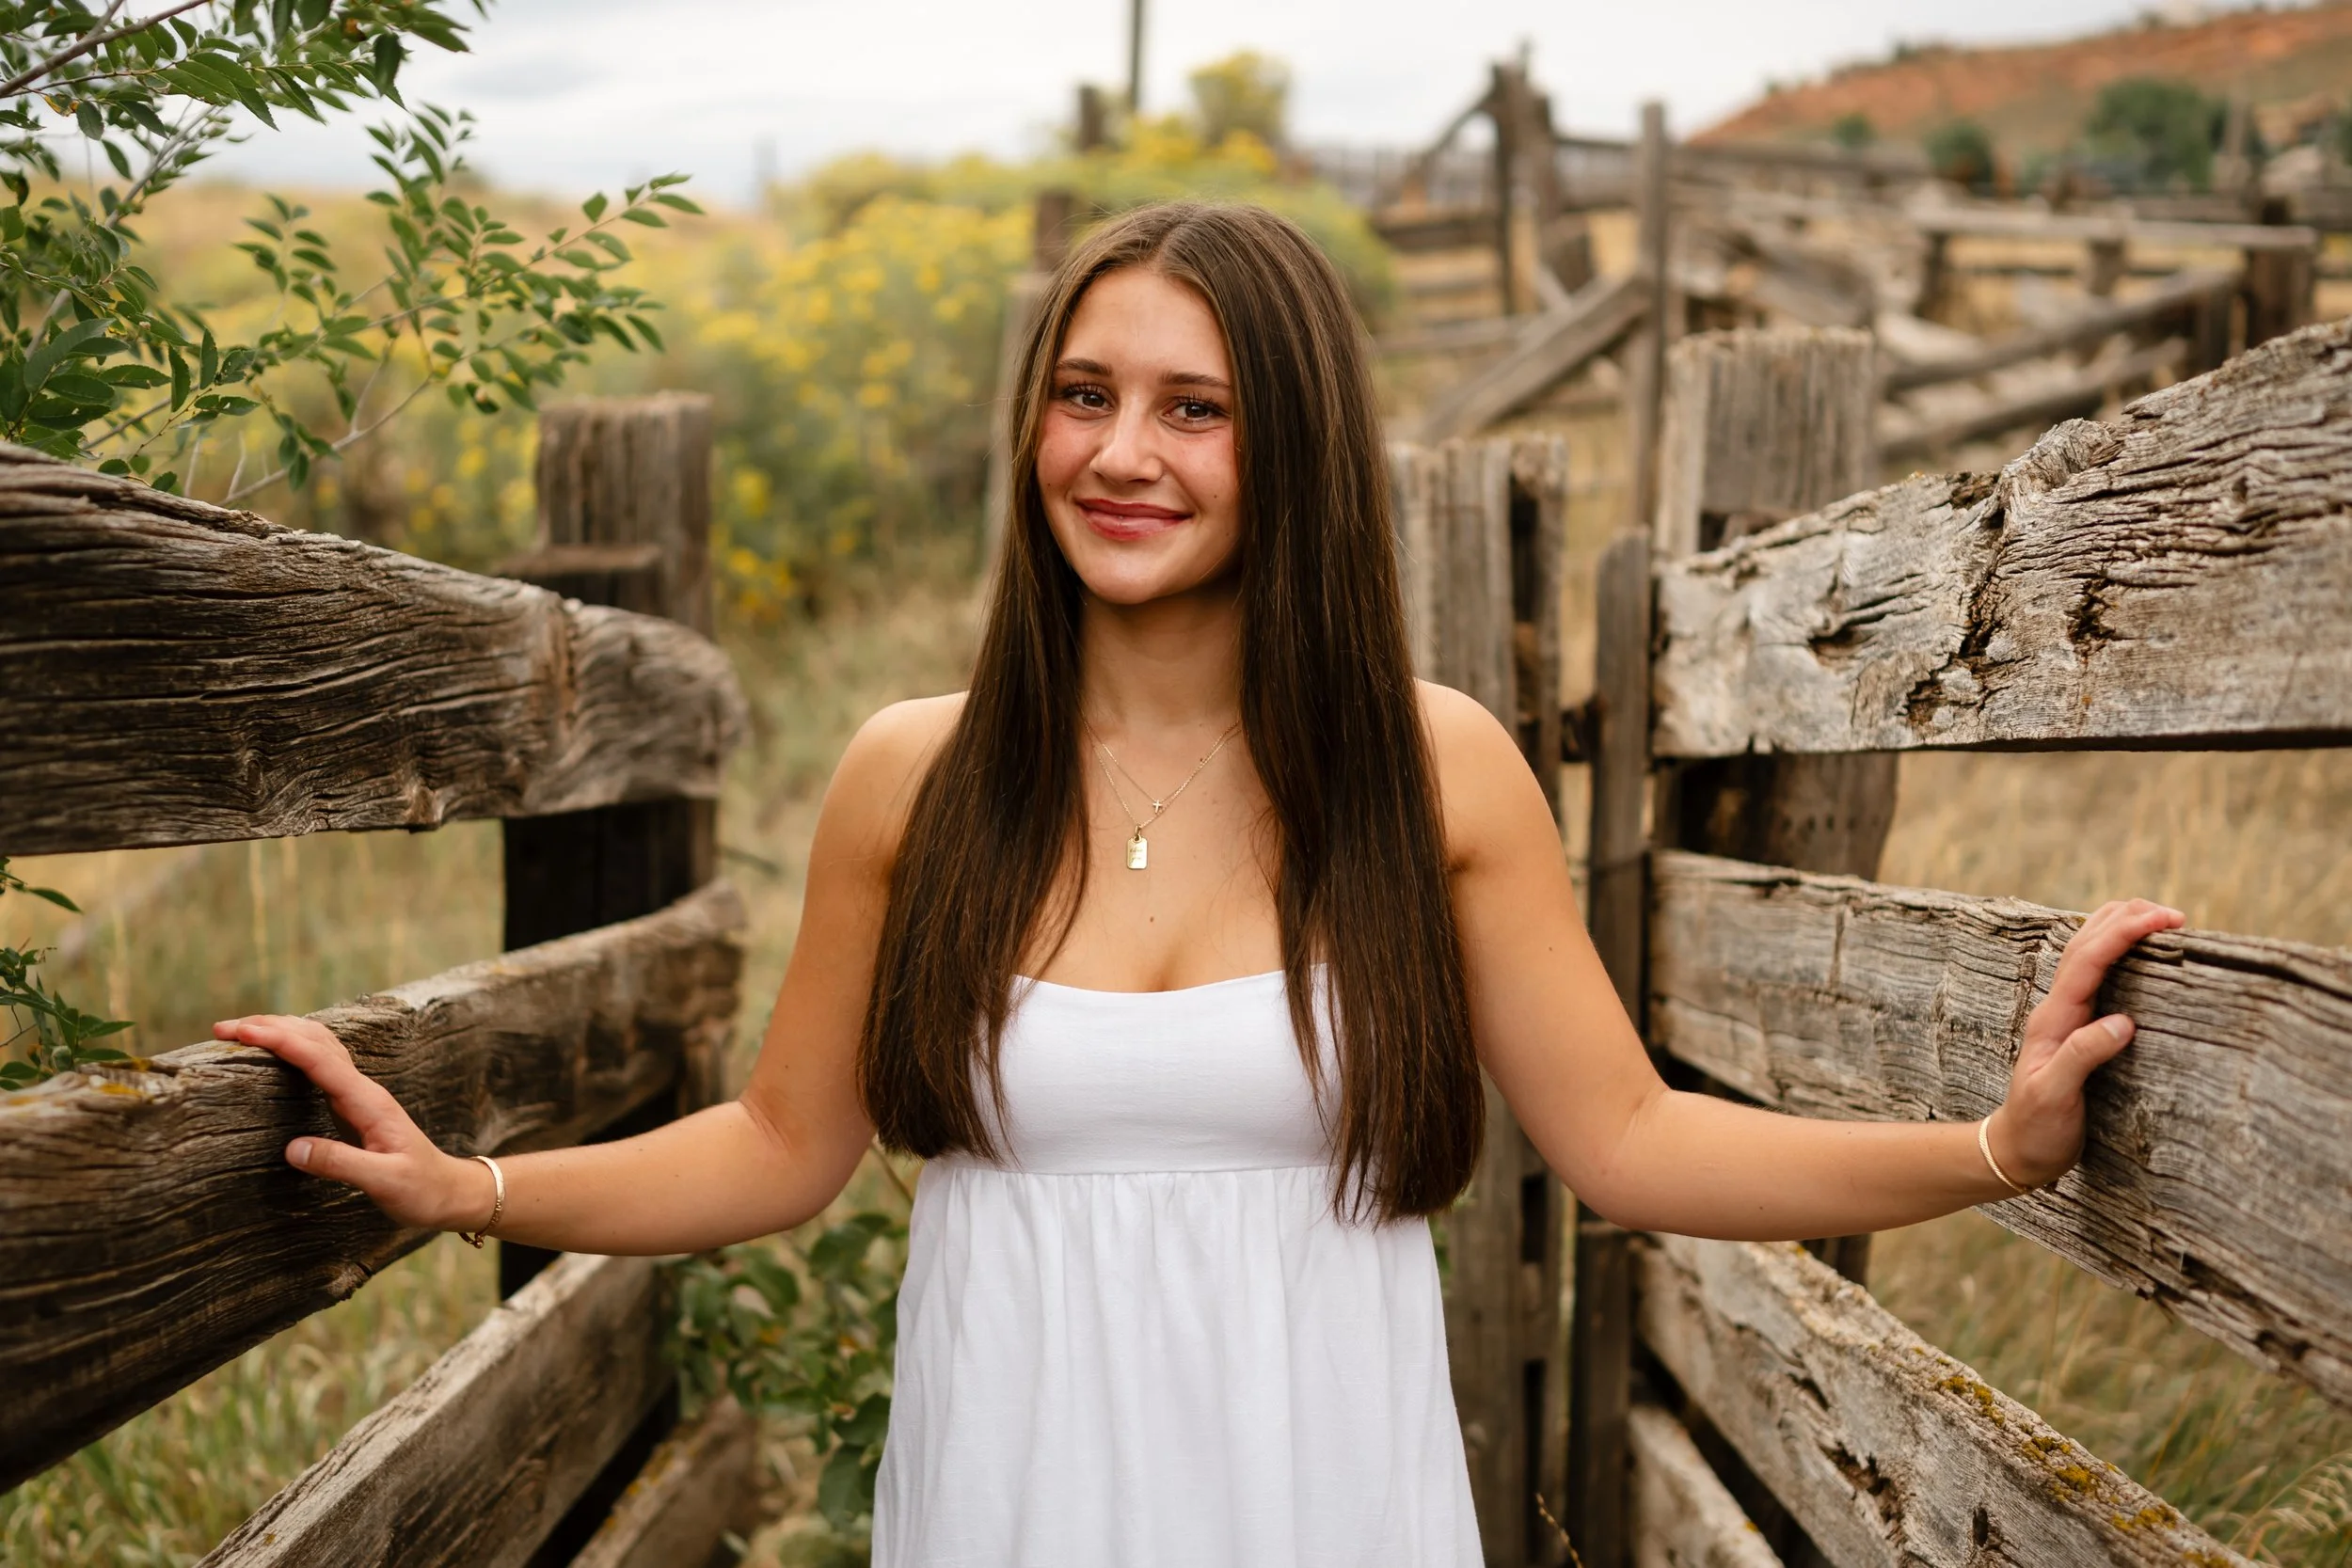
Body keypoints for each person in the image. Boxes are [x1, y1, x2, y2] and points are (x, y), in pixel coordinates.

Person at [217, 201, 2183, 1567]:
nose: (1119, 453)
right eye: (1082, 394)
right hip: (1007, 1476)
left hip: (1319, 1477)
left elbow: (1636, 1142)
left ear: (1290, 445)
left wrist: (1990, 1147)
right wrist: (468, 1187)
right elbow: (775, 1144)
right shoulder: (917, 773)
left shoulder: (1428, 774)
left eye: (1192, 407)